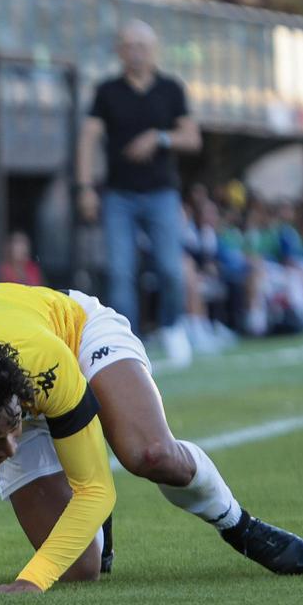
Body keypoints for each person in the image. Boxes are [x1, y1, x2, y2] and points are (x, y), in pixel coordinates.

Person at [0, 281, 303, 594]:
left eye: (12, 430)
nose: (7, 449)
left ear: (18, 400)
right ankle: (69, 443)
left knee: (150, 453)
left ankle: (237, 523)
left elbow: (97, 490)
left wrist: (31, 580)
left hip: (75, 334)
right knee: (80, 570)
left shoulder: (42, 362)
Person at [77, 19, 201, 366]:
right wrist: (85, 187)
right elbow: (87, 139)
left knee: (171, 269)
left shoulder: (170, 89)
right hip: (119, 194)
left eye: (141, 46)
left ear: (153, 49)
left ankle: (173, 326)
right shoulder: (108, 91)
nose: (135, 53)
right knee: (119, 272)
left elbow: (192, 138)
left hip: (162, 192)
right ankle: (127, 341)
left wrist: (158, 137)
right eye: (128, 46)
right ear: (119, 50)